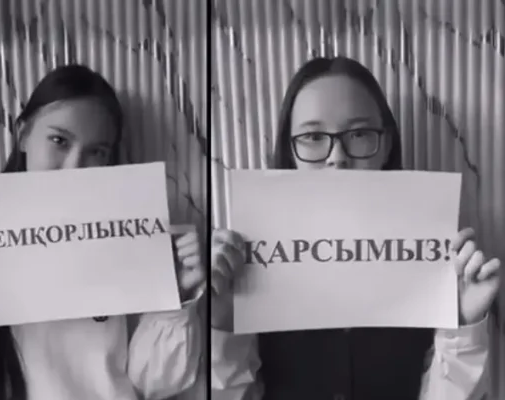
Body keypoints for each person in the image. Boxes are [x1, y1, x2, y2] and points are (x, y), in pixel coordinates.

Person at [210, 56, 500, 400]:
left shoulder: (433, 257)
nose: (337, 157)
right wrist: (223, 323)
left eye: (359, 133)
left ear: (386, 144)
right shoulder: (249, 260)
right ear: (290, 151)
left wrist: (464, 326)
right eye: (313, 136)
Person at [0, 64, 205, 400]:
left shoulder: (130, 236)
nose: (74, 166)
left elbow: (157, 385)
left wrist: (174, 299)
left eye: (96, 152)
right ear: (23, 134)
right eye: (59, 141)